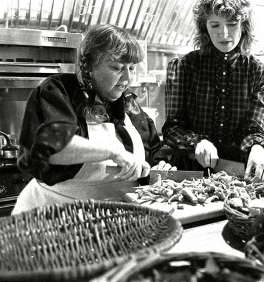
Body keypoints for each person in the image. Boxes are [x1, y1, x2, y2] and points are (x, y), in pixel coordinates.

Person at [12, 24, 173, 214]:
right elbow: (51, 149)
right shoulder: (59, 90)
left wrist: (158, 172)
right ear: (89, 66)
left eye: (131, 68)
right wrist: (112, 152)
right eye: (117, 68)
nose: (127, 78)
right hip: (55, 218)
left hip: (117, 220)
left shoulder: (130, 106)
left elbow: (152, 157)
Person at [162, 0, 264, 182]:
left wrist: (257, 147)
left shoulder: (262, 74)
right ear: (204, 27)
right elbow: (172, 129)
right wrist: (197, 142)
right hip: (189, 173)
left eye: (232, 24)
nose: (223, 34)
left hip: (237, 174)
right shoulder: (182, 67)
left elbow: (254, 128)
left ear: (244, 25)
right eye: (214, 25)